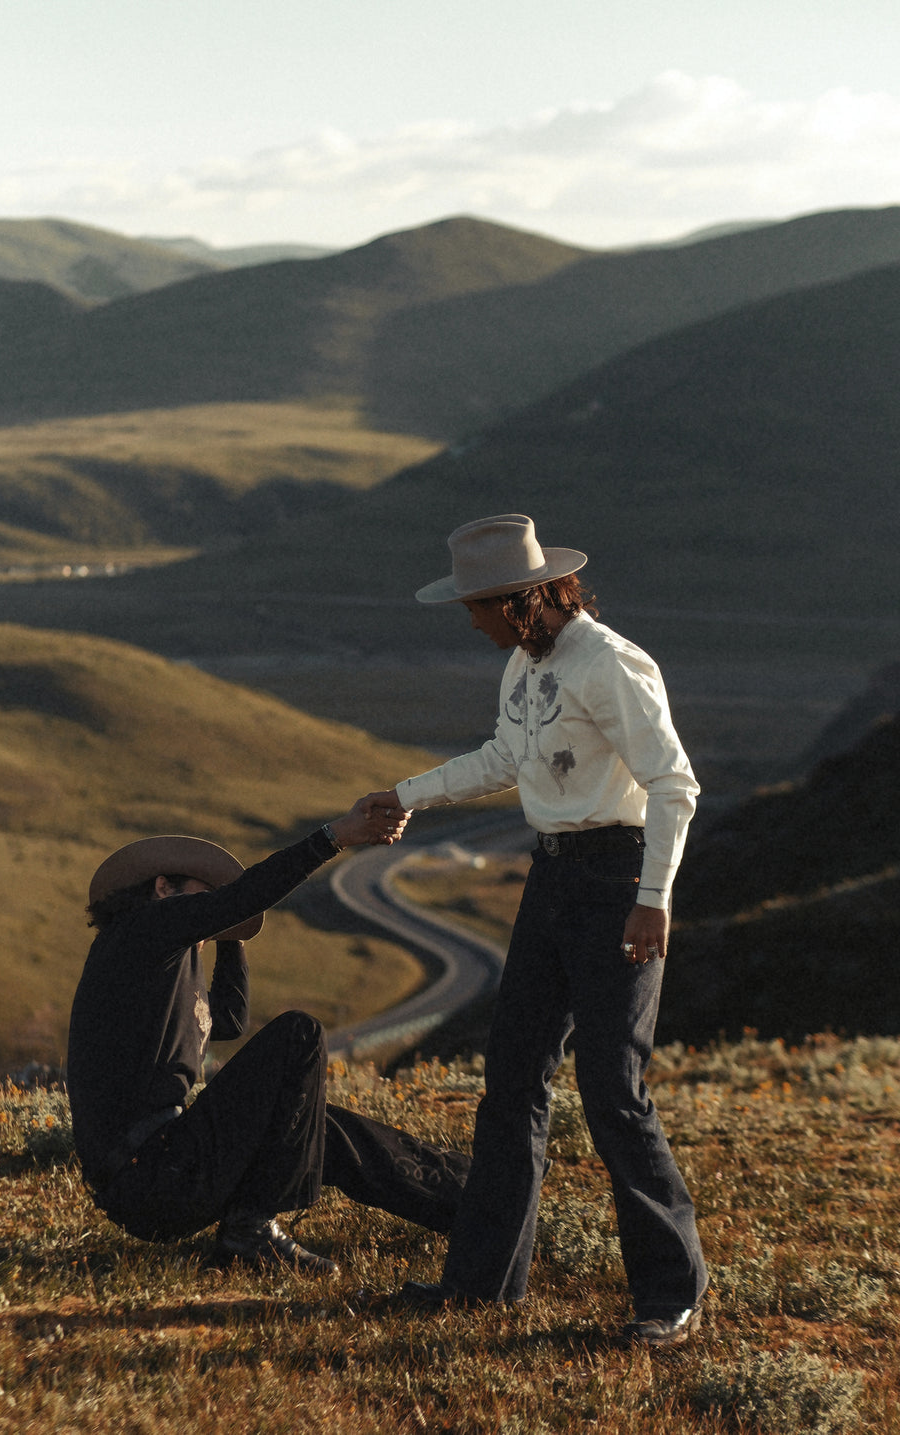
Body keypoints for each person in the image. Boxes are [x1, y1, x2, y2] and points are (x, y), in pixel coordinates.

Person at [362, 513, 708, 1347]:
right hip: (552, 875)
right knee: (512, 1078)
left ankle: (670, 1295)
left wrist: (653, 895)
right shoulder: (524, 662)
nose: (471, 624)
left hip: (617, 877)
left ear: (518, 601)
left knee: (612, 1090)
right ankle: (480, 1283)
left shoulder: (611, 664)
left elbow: (674, 784)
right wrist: (406, 793)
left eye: (475, 608)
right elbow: (504, 757)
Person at [66, 798, 469, 1276]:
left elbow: (229, 1021)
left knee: (317, 1125)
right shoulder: (137, 933)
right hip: (149, 1173)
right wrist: (334, 836)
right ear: (162, 888)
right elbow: (243, 898)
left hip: (165, 1168)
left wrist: (230, 937)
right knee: (298, 1035)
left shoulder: (171, 965)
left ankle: (476, 1198)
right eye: (203, 894)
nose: (209, 909)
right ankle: (251, 1228)